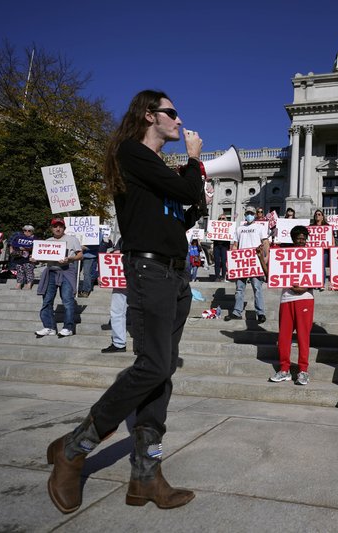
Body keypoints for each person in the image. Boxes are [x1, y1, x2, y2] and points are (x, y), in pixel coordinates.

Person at [46, 90, 203, 513]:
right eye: (172, 112)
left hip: (176, 274)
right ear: (149, 115)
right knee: (153, 366)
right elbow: (186, 191)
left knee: (161, 373)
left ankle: (145, 476)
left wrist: (194, 189)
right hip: (149, 270)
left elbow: (185, 212)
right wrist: (193, 161)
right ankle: (74, 449)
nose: (179, 120)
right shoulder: (132, 153)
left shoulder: (157, 169)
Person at [257, 225, 315, 385]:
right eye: (298, 238)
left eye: (303, 238)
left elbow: (318, 278)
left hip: (305, 298)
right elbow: (270, 277)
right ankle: (284, 370)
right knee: (283, 337)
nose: (301, 241)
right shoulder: (284, 255)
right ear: (293, 239)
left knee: (303, 336)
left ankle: (303, 371)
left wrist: (305, 287)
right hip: (287, 299)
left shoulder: (313, 255)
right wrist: (261, 258)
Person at [34, 218, 82, 337]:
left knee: (67, 300)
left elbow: (80, 255)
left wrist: (69, 259)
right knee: (47, 300)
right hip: (51, 271)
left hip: (67, 271)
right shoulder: (47, 241)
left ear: (64, 228)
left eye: (60, 226)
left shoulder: (72, 239)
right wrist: (35, 259)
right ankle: (49, 327)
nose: (58, 228)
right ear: (51, 228)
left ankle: (68, 328)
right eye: (55, 226)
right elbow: (43, 258)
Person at [225, 206, 269, 323]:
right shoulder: (239, 229)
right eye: (248, 213)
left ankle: (260, 313)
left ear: (255, 215)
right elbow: (235, 245)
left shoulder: (260, 227)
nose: (249, 215)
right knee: (239, 288)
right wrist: (231, 261)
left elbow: (265, 242)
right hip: (241, 262)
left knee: (257, 288)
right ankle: (237, 312)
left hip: (255, 261)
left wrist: (266, 256)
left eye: (251, 213)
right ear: (245, 215)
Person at [101, 238, 127, 354]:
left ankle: (145, 345)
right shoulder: (123, 239)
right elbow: (115, 256)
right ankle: (119, 343)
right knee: (117, 311)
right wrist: (105, 273)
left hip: (141, 278)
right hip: (121, 278)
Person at [9, 224, 36, 290]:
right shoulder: (19, 238)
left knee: (29, 271)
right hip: (19, 257)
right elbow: (13, 245)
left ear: (32, 231)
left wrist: (24, 248)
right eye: (25, 230)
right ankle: (18, 284)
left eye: (29, 230)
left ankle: (29, 285)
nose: (27, 232)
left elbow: (36, 248)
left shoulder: (35, 239)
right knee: (19, 271)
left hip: (29, 258)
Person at [78, 233, 102, 298]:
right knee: (75, 272)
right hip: (77, 254)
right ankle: (75, 289)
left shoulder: (97, 232)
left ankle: (86, 291)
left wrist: (85, 248)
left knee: (87, 273)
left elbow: (97, 244)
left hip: (89, 256)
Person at [212, 214, 230, 281]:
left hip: (224, 246)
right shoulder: (215, 227)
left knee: (223, 262)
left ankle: (223, 276)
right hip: (216, 245)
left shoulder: (229, 227)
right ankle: (217, 276)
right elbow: (212, 237)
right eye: (220, 218)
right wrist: (209, 233)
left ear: (225, 219)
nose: (221, 220)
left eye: (223, 218)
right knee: (216, 262)